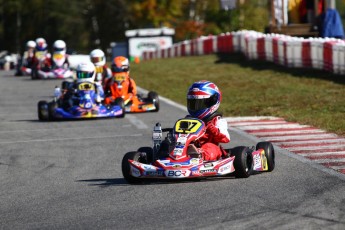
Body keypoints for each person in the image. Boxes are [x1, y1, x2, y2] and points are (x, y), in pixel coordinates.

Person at [186, 80, 230, 161]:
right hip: (189, 146)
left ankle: (199, 155)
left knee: (210, 147)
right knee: (169, 145)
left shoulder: (217, 120)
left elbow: (226, 138)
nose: (196, 107)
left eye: (200, 103)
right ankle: (164, 154)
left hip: (210, 147)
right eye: (193, 103)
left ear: (212, 101)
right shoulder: (188, 120)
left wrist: (213, 130)